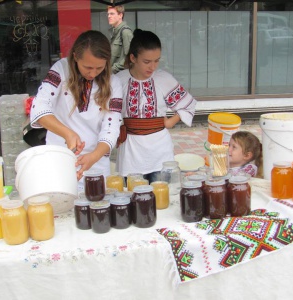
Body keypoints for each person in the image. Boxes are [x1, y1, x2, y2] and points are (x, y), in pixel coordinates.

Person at [29, 30, 123, 181]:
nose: (93, 74)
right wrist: (68, 134)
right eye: (87, 67)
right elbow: (39, 108)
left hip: (96, 163)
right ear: (75, 57)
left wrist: (94, 156)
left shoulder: (114, 83)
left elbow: (111, 128)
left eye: (99, 68)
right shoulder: (61, 69)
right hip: (60, 158)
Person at [115, 29, 197, 183]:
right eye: (147, 61)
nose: (152, 67)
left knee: (162, 198)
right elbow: (106, 110)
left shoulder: (163, 79)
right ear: (132, 57)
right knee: (133, 199)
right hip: (130, 152)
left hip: (160, 152)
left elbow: (188, 103)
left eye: (156, 60)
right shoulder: (119, 80)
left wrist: (170, 121)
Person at [108, 5, 133, 74]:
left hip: (120, 75)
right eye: (108, 14)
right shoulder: (114, 32)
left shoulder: (126, 32)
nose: (109, 16)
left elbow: (128, 58)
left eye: (112, 14)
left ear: (120, 15)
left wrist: (111, 71)